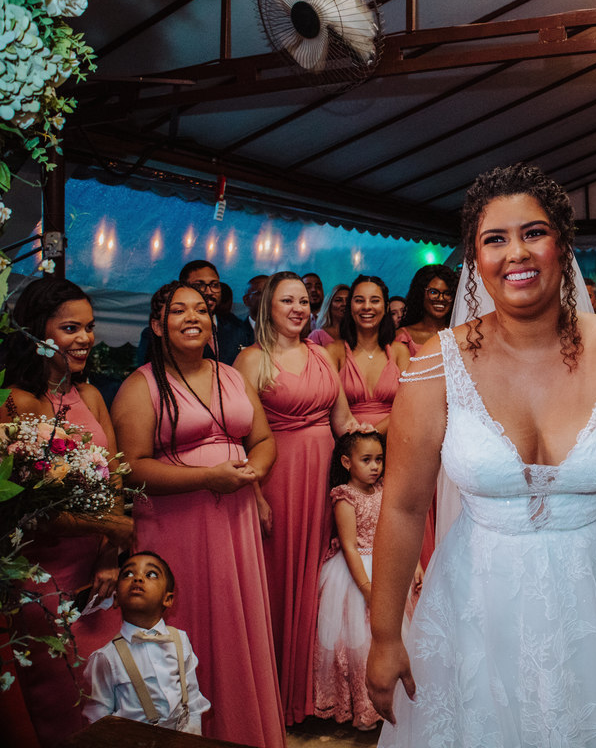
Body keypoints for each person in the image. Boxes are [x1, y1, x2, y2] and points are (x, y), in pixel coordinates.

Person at [367, 164, 596, 747]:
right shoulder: (433, 365)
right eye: (493, 239)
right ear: (475, 259)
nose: (514, 253)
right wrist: (384, 634)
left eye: (533, 232)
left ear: (562, 244)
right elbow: (400, 505)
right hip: (479, 611)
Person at [111, 281, 285, 748]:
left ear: (212, 322)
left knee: (237, 625)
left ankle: (243, 731)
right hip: (176, 525)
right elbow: (132, 469)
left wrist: (252, 473)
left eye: (202, 310)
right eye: (178, 311)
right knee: (190, 624)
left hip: (235, 518)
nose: (193, 317)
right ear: (157, 325)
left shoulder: (232, 375)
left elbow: (264, 440)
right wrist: (207, 479)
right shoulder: (141, 385)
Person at [1, 277, 133, 746]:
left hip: (96, 575)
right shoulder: (13, 402)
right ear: (38, 332)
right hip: (40, 576)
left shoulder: (92, 397)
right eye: (71, 328)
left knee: (109, 692)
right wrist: (112, 526)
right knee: (60, 699)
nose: (85, 339)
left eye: (91, 327)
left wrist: (109, 555)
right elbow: (19, 507)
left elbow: (115, 483)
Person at [234, 271, 362, 726]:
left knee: (319, 581)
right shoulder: (250, 360)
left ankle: (310, 693)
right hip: (278, 479)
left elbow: (344, 422)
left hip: (325, 478)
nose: (298, 308)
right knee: (280, 578)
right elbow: (237, 438)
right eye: (287, 300)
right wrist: (255, 493)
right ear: (268, 306)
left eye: (304, 301)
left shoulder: (324, 354)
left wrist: (373, 468)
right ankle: (276, 697)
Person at [82, 552, 211, 734]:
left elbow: (193, 703)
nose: (138, 579)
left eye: (151, 574)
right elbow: (98, 722)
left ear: (168, 599)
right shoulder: (105, 657)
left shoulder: (180, 640)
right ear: (116, 598)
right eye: (127, 574)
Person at [314, 432, 387, 730]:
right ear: (347, 462)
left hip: (383, 564)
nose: (375, 467)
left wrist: (417, 565)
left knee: (385, 637)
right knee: (357, 644)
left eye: (379, 459)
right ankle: (362, 706)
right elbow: (349, 547)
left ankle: (386, 705)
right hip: (355, 575)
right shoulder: (344, 496)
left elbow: (393, 534)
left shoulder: (383, 490)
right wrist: (366, 587)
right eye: (366, 460)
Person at [325, 276, 410, 435]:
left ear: (385, 307)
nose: (366, 307)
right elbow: (330, 408)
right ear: (350, 306)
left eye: (375, 300)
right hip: (347, 441)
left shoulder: (399, 351)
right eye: (359, 300)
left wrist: (373, 434)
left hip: (395, 439)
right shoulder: (333, 352)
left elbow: (409, 404)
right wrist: (358, 442)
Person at [136, 260, 253, 366]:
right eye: (199, 285)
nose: (209, 291)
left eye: (214, 285)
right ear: (182, 287)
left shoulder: (237, 328)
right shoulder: (159, 333)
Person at [395, 264, 456, 354]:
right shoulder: (402, 337)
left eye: (447, 293)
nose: (441, 298)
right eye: (433, 292)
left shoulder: (461, 333)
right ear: (420, 294)